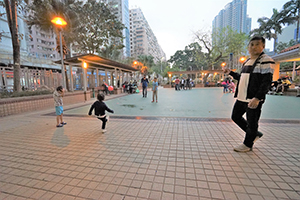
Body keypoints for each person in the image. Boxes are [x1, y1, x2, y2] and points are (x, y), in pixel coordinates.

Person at [223, 36, 275, 152]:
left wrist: (257, 98)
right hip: (242, 96)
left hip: (253, 98)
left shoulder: (266, 60)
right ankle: (254, 135)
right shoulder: (247, 61)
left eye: (257, 44)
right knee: (235, 116)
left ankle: (248, 144)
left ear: (263, 46)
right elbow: (243, 78)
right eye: (252, 45)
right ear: (248, 47)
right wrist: (231, 73)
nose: (254, 47)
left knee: (252, 121)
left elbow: (266, 82)